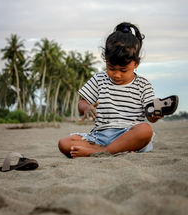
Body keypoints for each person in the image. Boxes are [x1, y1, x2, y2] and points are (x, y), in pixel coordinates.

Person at [58, 22, 162, 158]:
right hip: (99, 136)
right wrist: (86, 108)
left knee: (145, 130)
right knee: (64, 143)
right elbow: (81, 103)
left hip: (128, 135)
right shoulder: (99, 79)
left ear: (136, 63)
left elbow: (150, 117)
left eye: (123, 70)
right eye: (111, 68)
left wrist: (154, 115)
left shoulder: (143, 84)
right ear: (105, 60)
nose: (116, 74)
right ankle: (112, 150)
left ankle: (102, 152)